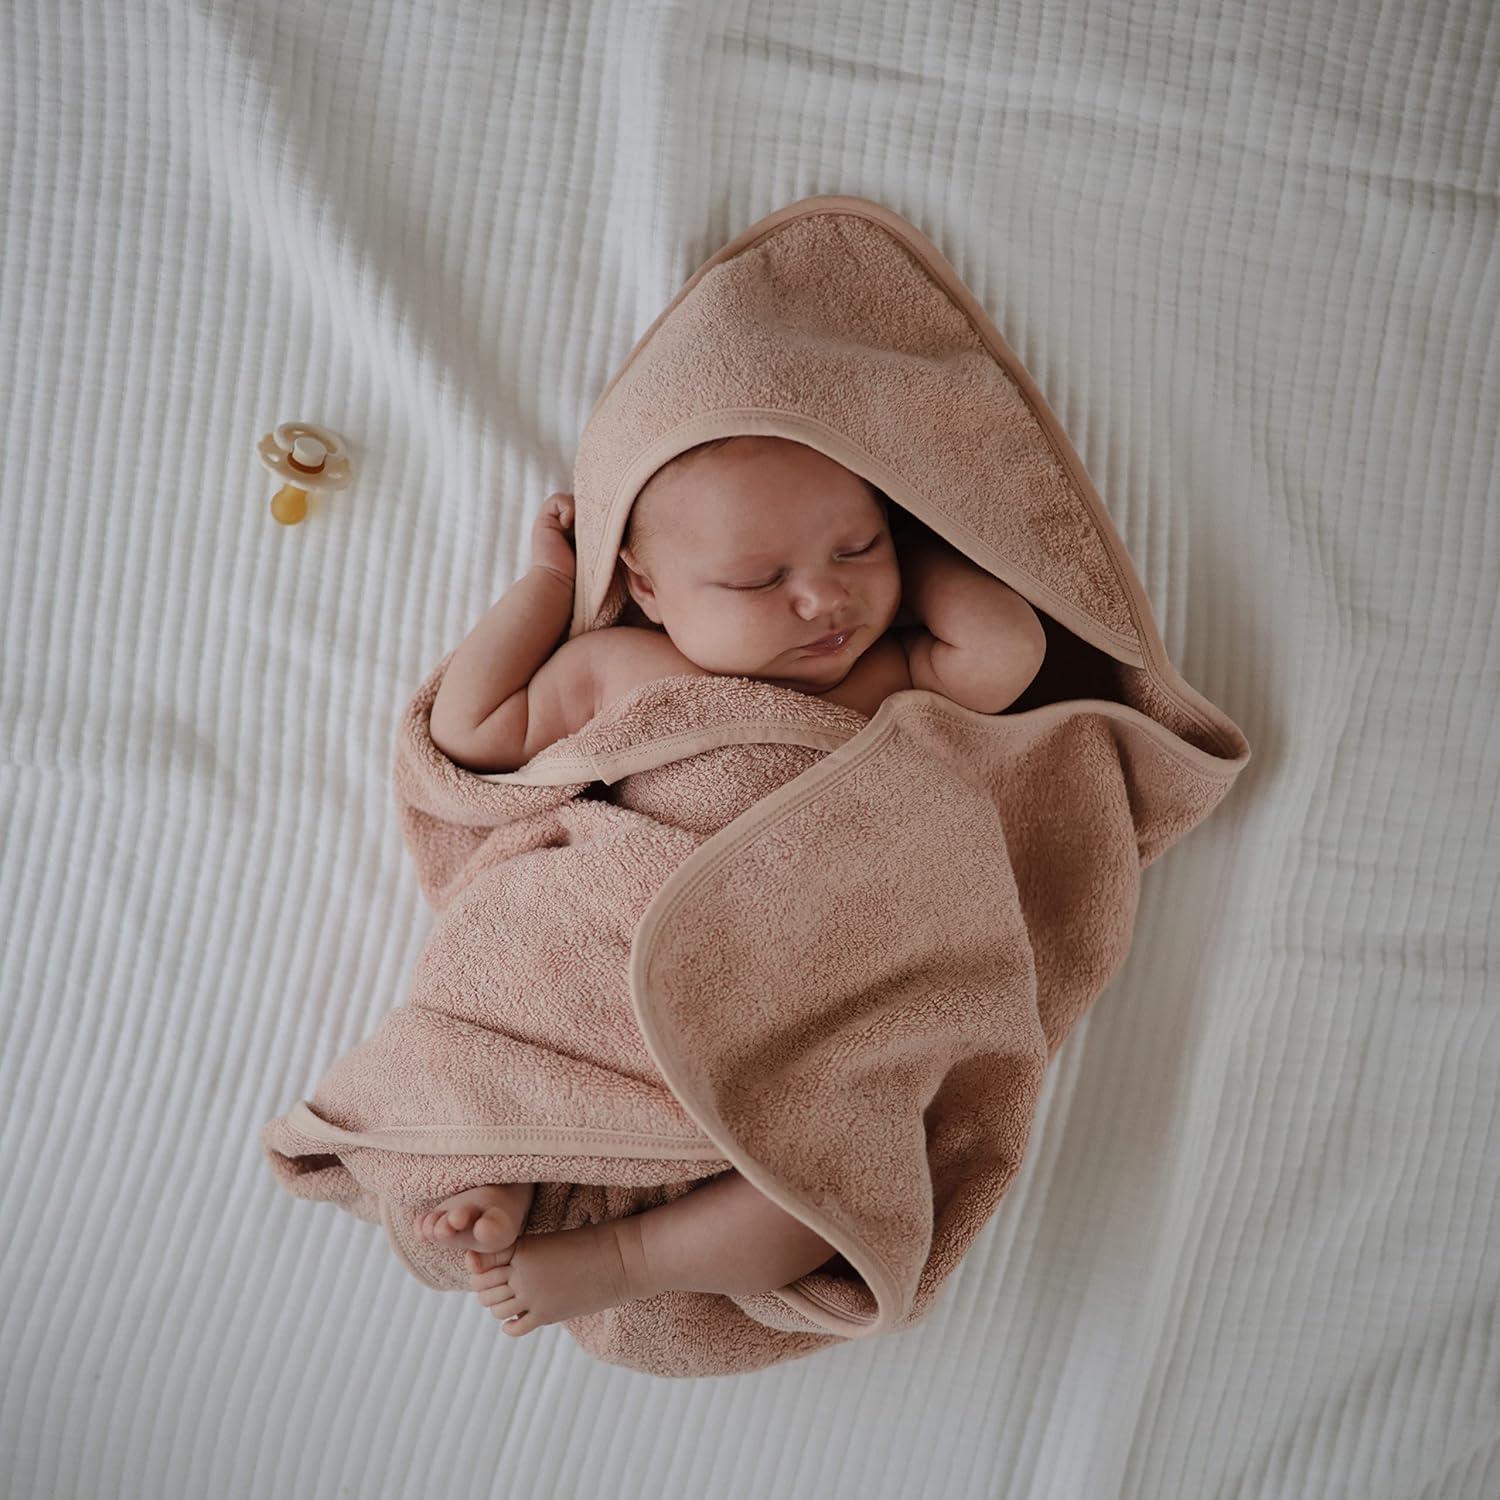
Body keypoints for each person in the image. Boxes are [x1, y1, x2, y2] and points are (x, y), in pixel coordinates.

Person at [416, 435, 1046, 1336]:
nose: (824, 596)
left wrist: (913, 525)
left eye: (857, 549)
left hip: (801, 992)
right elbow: (473, 728)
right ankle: (517, 1158)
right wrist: (547, 587)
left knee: (833, 1190)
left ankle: (627, 1257)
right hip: (629, 938)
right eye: (758, 580)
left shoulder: (887, 676)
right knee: (527, 996)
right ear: (647, 589)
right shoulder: (620, 670)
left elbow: (1005, 649)